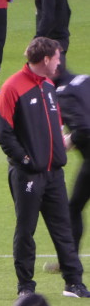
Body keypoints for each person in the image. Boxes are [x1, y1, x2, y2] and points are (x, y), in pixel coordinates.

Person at [0, 37, 90, 298]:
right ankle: (25, 287)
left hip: (53, 173)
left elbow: (55, 125)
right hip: (28, 173)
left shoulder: (49, 86)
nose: (60, 62)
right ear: (46, 59)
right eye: (58, 57)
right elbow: (3, 133)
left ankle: (74, 283)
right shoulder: (12, 87)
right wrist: (25, 160)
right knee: (26, 229)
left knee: (63, 229)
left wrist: (57, 152)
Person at [55, 69, 90, 254]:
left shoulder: (64, 92)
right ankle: (70, 260)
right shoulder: (84, 80)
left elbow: (84, 129)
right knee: (74, 206)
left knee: (74, 207)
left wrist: (71, 139)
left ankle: (70, 261)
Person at [31, 0, 71, 65]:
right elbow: (67, 10)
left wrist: (37, 40)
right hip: (57, 39)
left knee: (51, 77)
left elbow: (48, 15)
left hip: (52, 42)